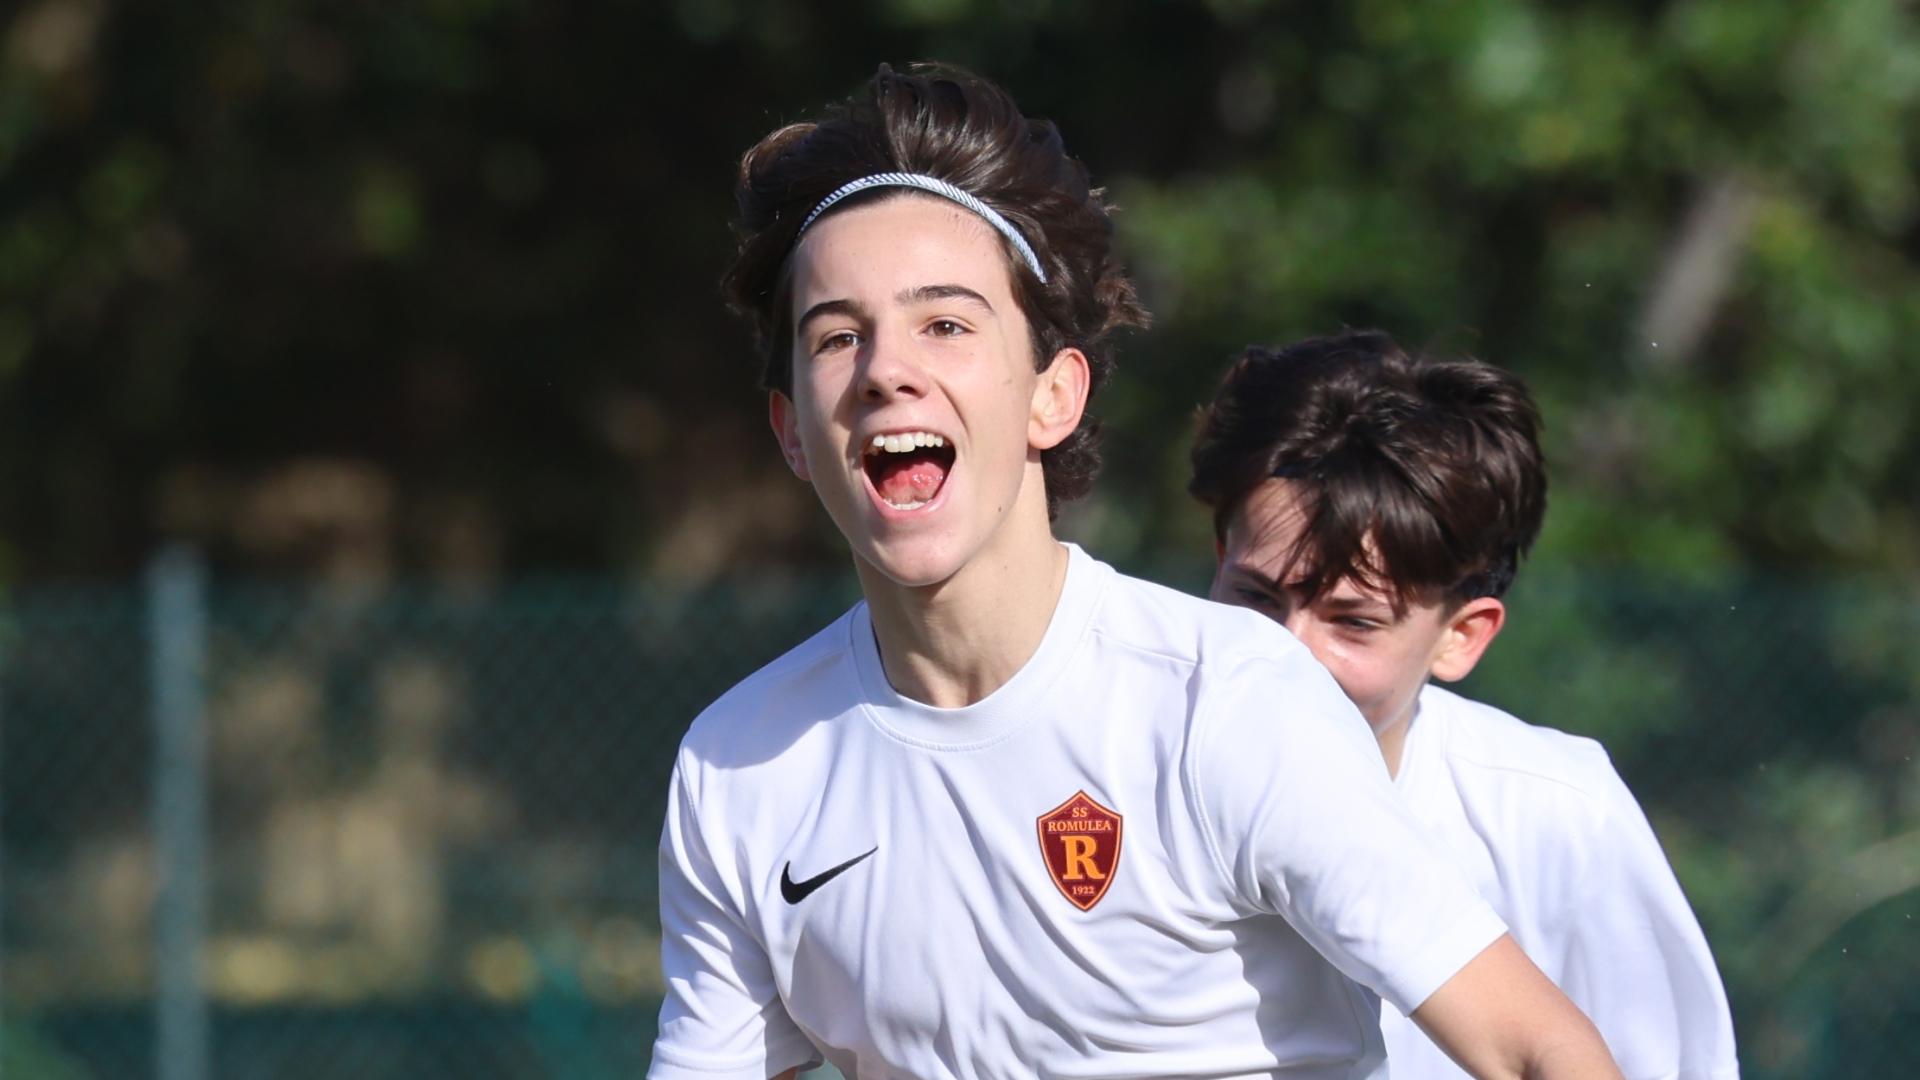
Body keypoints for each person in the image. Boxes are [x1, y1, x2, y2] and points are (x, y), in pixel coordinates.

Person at [650, 65, 1622, 1080]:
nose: (886, 370)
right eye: (838, 336)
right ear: (791, 432)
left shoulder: (1226, 702)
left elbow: (1541, 1051)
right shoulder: (738, 767)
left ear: (1053, 396)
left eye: (945, 324)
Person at [1189, 330, 1740, 1080]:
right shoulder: (1108, 762)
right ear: (1220, 560)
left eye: (1354, 621)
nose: (1286, 652)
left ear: (1461, 636)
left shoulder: (1556, 817)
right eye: (1256, 597)